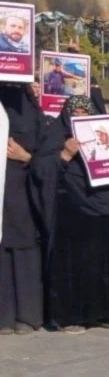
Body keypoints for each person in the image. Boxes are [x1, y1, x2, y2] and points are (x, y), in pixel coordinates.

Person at [45, 96, 109, 332]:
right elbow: (42, 170)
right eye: (74, 112)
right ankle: (71, 317)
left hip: (100, 205)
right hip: (71, 208)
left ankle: (102, 313)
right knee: (73, 265)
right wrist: (65, 156)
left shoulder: (102, 134)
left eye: (84, 112)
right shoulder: (56, 136)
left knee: (100, 262)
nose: (79, 116)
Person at [0, 82, 55, 335]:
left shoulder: (33, 114)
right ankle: (5, 316)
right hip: (6, 193)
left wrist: (26, 157)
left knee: (24, 252)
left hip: (23, 192)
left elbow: (46, 157)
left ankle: (27, 314)